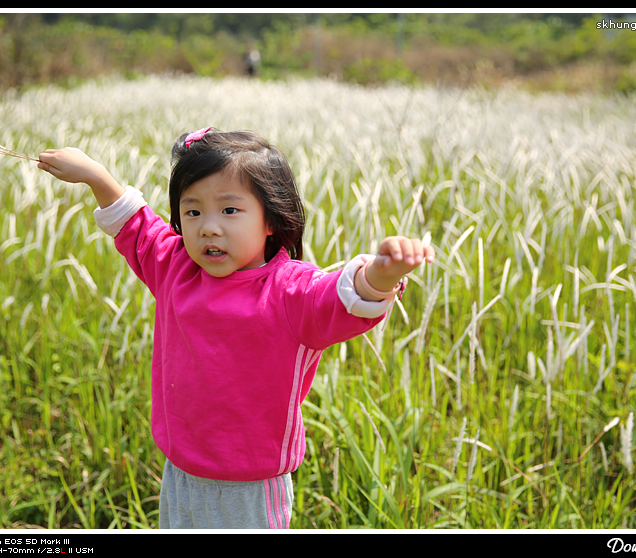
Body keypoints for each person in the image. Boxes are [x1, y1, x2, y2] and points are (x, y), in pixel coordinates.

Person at [37, 127, 434, 529]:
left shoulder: (289, 292)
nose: (208, 227)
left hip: (249, 486)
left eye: (229, 210)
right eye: (192, 212)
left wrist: (382, 275)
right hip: (181, 469)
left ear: (270, 221)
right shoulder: (177, 268)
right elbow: (136, 227)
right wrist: (95, 175)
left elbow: (341, 299)